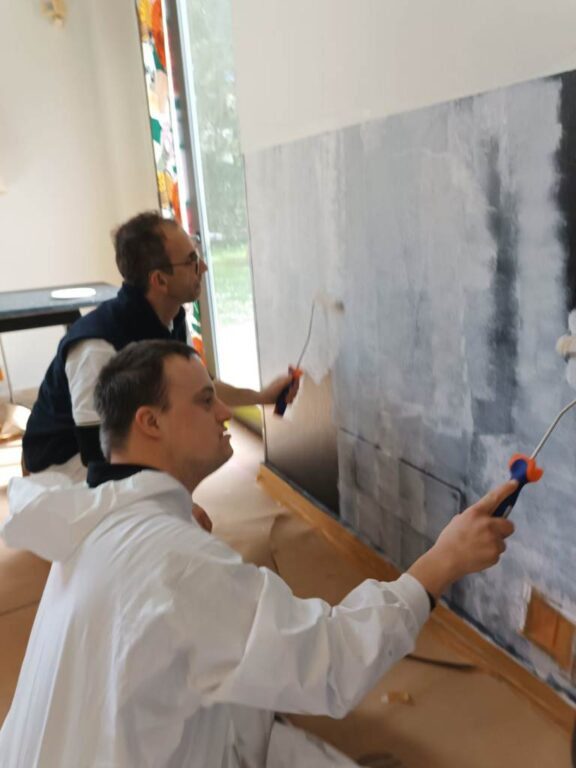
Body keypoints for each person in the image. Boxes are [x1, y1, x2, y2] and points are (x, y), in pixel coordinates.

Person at [0, 340, 516, 768]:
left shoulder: (98, 522)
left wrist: (179, 522)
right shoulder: (178, 563)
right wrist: (443, 561)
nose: (225, 411)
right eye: (205, 401)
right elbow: (332, 663)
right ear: (150, 423)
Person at [22, 211, 298, 481]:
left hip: (115, 446)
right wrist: (167, 498)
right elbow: (96, 455)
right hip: (63, 466)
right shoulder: (97, 346)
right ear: (160, 280)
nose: (203, 267)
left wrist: (262, 397)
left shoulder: (171, 318)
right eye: (191, 260)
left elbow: (203, 390)